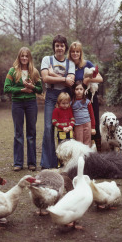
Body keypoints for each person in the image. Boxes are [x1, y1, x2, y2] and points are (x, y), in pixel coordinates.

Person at [4, 47, 43, 172]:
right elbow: (6, 88)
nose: (24, 58)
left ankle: (32, 163)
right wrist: (21, 90)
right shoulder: (12, 71)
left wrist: (32, 87)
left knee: (31, 133)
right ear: (19, 57)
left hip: (31, 103)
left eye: (27, 56)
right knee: (18, 133)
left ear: (29, 57)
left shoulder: (34, 71)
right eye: (22, 56)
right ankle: (18, 163)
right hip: (17, 104)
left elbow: (40, 89)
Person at [40, 35, 75, 169]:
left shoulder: (70, 63)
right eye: (57, 45)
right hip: (51, 96)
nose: (59, 48)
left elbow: (70, 81)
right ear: (54, 47)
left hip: (65, 97)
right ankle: (48, 163)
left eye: (62, 45)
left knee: (67, 127)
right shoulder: (46, 60)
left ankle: (67, 161)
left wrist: (53, 74)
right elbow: (45, 78)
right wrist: (63, 79)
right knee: (49, 127)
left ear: (65, 47)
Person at [68, 41, 103, 151]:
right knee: (76, 124)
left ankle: (99, 151)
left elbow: (100, 78)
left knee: (94, 123)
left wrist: (88, 79)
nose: (75, 54)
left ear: (80, 52)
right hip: (76, 99)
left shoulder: (87, 64)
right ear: (70, 53)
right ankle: (78, 151)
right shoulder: (68, 65)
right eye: (73, 51)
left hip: (89, 97)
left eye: (77, 51)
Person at [71, 80, 96, 147]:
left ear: (84, 90)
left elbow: (92, 115)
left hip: (87, 124)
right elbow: (71, 117)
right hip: (77, 125)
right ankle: (80, 157)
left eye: (81, 89)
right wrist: (72, 129)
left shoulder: (88, 102)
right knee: (79, 143)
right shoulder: (71, 103)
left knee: (87, 142)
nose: (79, 91)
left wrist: (93, 127)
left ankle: (87, 157)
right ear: (74, 90)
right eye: (77, 89)